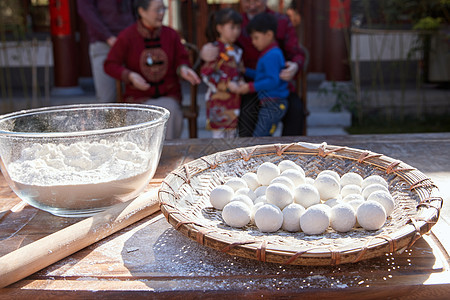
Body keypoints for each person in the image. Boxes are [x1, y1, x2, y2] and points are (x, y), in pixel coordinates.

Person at [200, 0, 306, 137]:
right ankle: (250, 155)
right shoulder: (236, 22)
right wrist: (205, 51)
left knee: (296, 110)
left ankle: (291, 154)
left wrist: (295, 66)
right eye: (247, 1)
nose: (252, 5)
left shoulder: (282, 21)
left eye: (256, 1)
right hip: (247, 85)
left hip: (276, 88)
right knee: (247, 115)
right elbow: (222, 45)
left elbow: (297, 53)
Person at [104, 0, 201, 140]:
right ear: (142, 12)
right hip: (138, 99)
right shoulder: (127, 36)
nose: (162, 14)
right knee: (141, 117)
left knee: (169, 111)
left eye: (163, 9)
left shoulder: (171, 35)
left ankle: (167, 154)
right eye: (157, 10)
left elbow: (182, 58)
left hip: (168, 96)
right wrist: (130, 76)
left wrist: (183, 69)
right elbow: (110, 64)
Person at [228, 13, 289, 137]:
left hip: (274, 104)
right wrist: (246, 71)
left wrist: (250, 87)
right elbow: (263, 75)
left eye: (256, 38)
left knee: (261, 136)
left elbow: (272, 81)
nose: (253, 42)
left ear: (269, 35)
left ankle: (264, 155)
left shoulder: (272, 55)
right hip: (270, 102)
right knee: (262, 135)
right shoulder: (269, 53)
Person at [77, 0, 135, 103]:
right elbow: (86, 11)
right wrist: (107, 36)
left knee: (133, 97)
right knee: (107, 100)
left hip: (130, 40)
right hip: (103, 43)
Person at [200, 8, 244, 138]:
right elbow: (206, 74)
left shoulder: (237, 50)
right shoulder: (213, 49)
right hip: (217, 98)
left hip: (234, 98)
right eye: (232, 27)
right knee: (218, 136)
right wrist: (226, 84)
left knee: (232, 134)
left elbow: (239, 71)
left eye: (238, 28)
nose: (236, 31)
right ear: (219, 28)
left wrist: (240, 81)